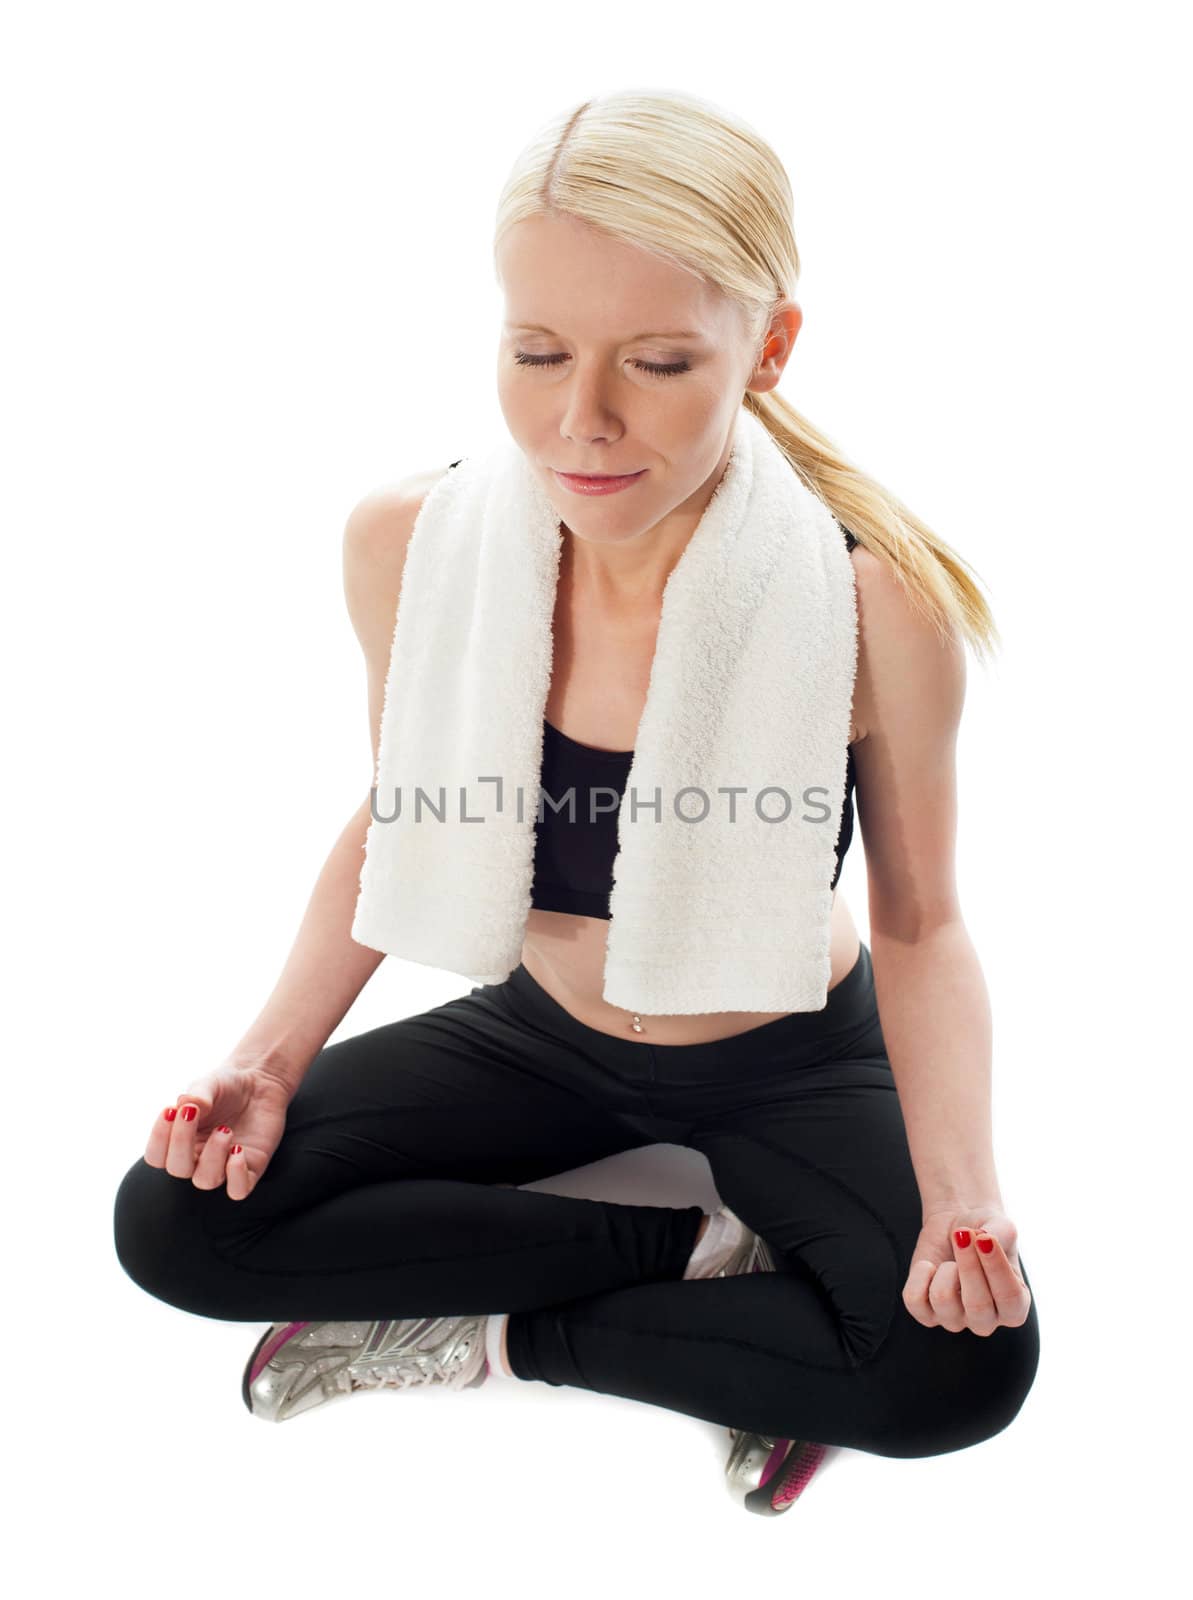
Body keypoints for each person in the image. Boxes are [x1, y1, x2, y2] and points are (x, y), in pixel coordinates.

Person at [112, 87, 1040, 1515]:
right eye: (536, 350)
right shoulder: (410, 543)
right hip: (537, 1037)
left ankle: (494, 1334)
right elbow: (400, 816)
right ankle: (696, 1275)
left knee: (957, 1371)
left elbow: (921, 927)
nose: (581, 418)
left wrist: (964, 1195)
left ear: (768, 346)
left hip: (787, 1053)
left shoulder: (868, 607)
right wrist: (270, 1061)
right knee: (177, 1226)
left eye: (660, 361)